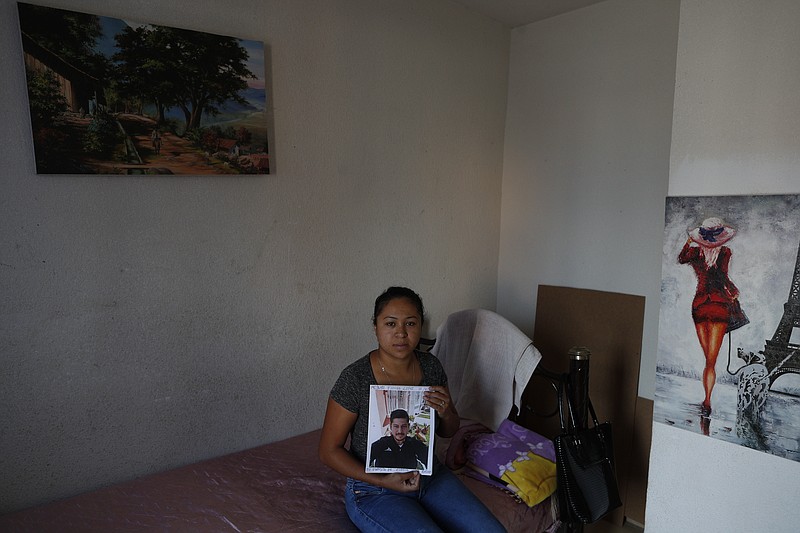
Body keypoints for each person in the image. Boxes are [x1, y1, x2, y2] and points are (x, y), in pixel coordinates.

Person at [319, 287, 506, 532]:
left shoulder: (430, 366)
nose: (400, 333)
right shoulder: (355, 378)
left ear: (420, 327)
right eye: (390, 324)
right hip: (374, 490)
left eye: (410, 323)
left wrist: (447, 410)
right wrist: (381, 480)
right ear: (375, 327)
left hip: (430, 477)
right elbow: (328, 450)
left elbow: (448, 430)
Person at [679, 217, 746, 415]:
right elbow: (723, 277)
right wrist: (733, 291)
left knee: (708, 357)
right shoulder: (725, 252)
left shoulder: (695, 253)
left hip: (699, 306)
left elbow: (681, 258)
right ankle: (707, 400)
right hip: (718, 306)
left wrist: (690, 241)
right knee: (711, 360)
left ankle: (707, 400)